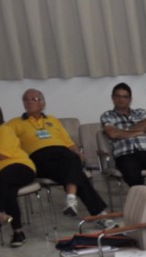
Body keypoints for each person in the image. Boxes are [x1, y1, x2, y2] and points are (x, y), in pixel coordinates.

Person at [9, 89, 109, 217]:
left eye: (34, 99)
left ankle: (87, 209)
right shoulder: (14, 123)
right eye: (26, 99)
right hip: (38, 158)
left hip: (61, 154)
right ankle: (96, 212)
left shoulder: (52, 120)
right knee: (76, 173)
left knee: (74, 164)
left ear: (43, 103)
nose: (29, 102)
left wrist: (78, 152)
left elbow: (69, 143)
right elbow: (2, 140)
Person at [0, 101, 35, 247]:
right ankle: (18, 232)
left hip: (20, 167)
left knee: (0, 179)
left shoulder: (4, 130)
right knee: (8, 193)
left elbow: (0, 155)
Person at [100, 83, 146, 187]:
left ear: (130, 99)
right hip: (125, 154)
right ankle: (142, 195)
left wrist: (122, 132)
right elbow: (113, 134)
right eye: (118, 96)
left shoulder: (140, 112)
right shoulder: (107, 115)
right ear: (113, 98)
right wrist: (139, 131)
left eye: (125, 97)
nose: (121, 99)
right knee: (134, 180)